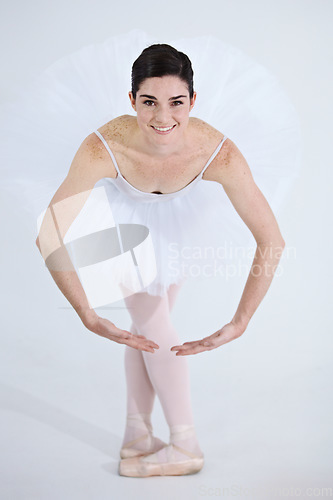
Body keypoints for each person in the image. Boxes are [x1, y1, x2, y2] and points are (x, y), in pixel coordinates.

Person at [35, 42, 286, 477]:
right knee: (152, 325)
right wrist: (87, 313)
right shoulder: (103, 147)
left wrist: (241, 319)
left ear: (193, 100)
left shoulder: (218, 152)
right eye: (149, 102)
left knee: (147, 328)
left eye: (177, 103)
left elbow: (271, 240)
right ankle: (172, 440)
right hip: (121, 230)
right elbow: (49, 233)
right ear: (132, 100)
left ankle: (149, 437)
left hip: (177, 227)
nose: (163, 118)